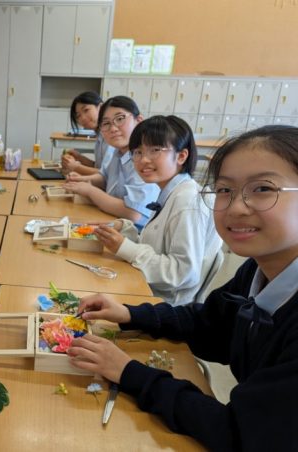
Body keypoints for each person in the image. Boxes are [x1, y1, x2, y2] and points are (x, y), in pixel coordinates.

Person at [68, 125, 298, 450]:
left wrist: (128, 371)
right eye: (225, 190)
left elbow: (237, 433)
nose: (236, 207)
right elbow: (209, 324)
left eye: (263, 188)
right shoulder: (258, 270)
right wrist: (130, 314)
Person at [94, 115, 222, 306]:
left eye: (155, 150)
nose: (143, 160)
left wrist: (124, 247)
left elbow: (182, 273)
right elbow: (156, 248)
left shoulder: (187, 201)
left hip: (164, 305)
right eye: (137, 152)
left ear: (181, 156)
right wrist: (125, 228)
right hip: (147, 289)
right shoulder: (171, 190)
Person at [63, 96, 160, 228]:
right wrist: (81, 180)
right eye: (106, 123)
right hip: (113, 220)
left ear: (139, 121)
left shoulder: (144, 159)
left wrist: (90, 191)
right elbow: (105, 178)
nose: (113, 128)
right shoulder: (118, 151)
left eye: (120, 119)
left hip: (136, 231)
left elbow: (134, 214)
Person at [61, 91, 114, 175]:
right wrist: (79, 157)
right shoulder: (100, 135)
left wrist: (75, 167)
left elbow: (106, 174)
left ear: (101, 107)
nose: (83, 118)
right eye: (78, 116)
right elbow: (97, 166)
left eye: (86, 110)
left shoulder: (111, 136)